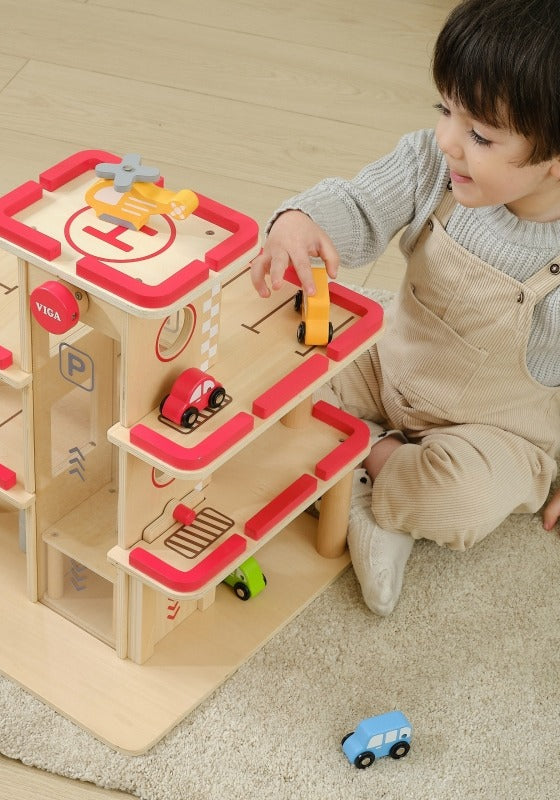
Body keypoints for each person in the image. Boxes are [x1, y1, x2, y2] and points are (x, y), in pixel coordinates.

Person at [249, 0, 560, 615]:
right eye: (445, 110)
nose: (448, 141)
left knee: (462, 501)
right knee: (267, 382)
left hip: (495, 429)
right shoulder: (432, 165)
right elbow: (359, 204)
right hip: (390, 363)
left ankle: (359, 473)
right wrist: (300, 219)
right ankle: (366, 472)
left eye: (480, 135)